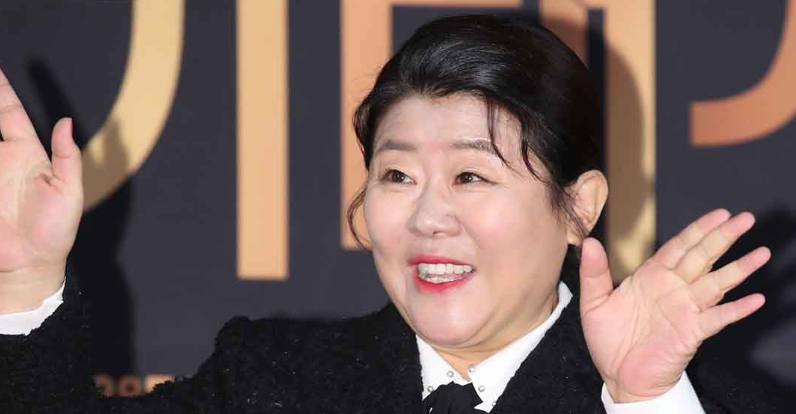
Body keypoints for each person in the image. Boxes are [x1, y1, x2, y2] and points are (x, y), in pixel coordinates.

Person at [0, 14, 782, 413]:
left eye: (472, 175)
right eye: (398, 175)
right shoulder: (269, 379)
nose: (429, 216)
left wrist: (642, 403)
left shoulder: (684, 398)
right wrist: (27, 276)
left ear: (579, 207)